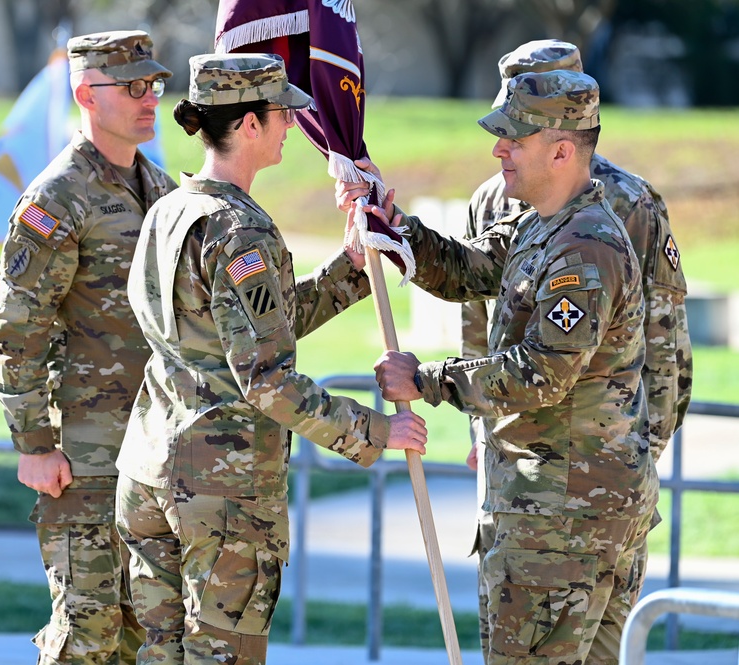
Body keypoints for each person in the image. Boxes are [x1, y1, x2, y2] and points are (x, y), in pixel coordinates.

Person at [114, 53, 429, 665]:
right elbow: (267, 380)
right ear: (249, 125)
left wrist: (350, 272)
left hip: (150, 471)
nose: (291, 124)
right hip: (220, 491)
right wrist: (375, 431)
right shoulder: (238, 228)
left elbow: (244, 334)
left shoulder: (167, 210)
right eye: (282, 113)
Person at [359, 70, 658, 663]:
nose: (498, 149)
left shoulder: (584, 247)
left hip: (562, 518)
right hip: (569, 509)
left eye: (514, 139)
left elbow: (542, 374)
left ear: (563, 150)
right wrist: (396, 232)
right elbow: (469, 268)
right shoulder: (543, 225)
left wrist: (428, 380)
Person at [458, 39, 692, 657]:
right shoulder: (494, 199)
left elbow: (664, 345)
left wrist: (633, 447)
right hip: (536, 475)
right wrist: (486, 436)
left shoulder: (628, 201)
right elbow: (480, 320)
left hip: (576, 488)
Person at [0, 30, 175, 664]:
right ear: (85, 95)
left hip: (154, 446)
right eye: (131, 87)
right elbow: (19, 330)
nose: (149, 98)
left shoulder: (160, 186)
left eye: (152, 84)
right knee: (87, 631)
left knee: (144, 630)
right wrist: (33, 444)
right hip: (86, 452)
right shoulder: (56, 197)